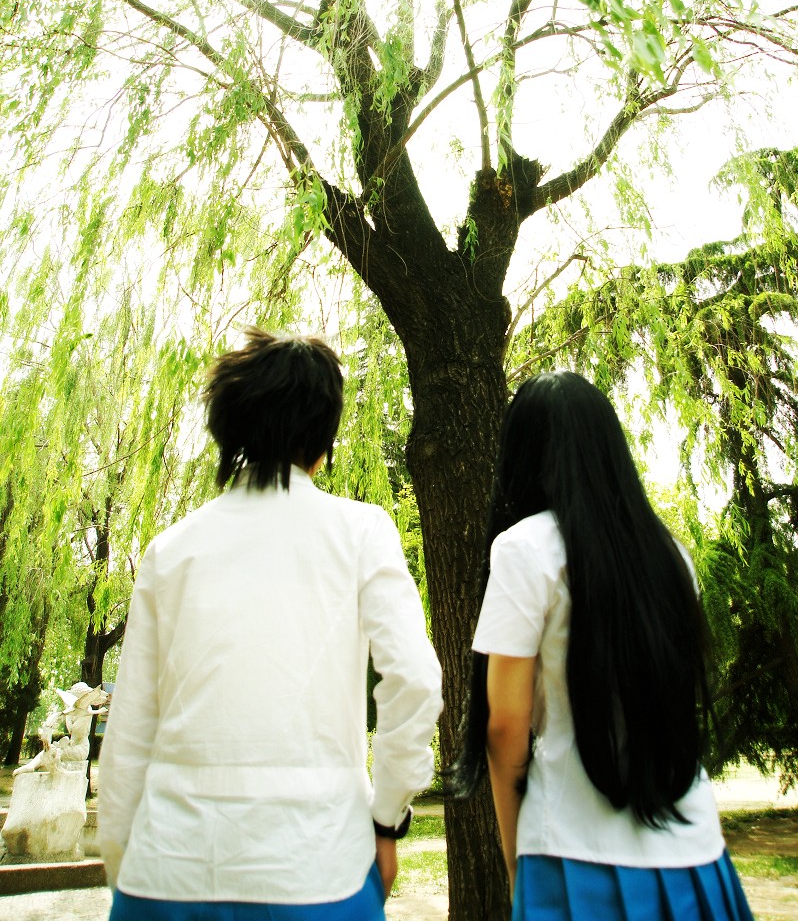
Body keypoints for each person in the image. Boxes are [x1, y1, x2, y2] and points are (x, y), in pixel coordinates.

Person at [99, 329, 442, 921]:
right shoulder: (361, 532)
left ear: (229, 428)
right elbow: (414, 681)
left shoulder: (170, 551)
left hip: (169, 868)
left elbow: (129, 734)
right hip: (320, 869)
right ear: (324, 440)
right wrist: (387, 820)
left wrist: (127, 867)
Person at [448, 370, 754, 921]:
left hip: (573, 852)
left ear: (522, 455)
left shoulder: (524, 548)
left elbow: (504, 725)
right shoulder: (671, 555)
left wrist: (518, 863)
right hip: (695, 851)